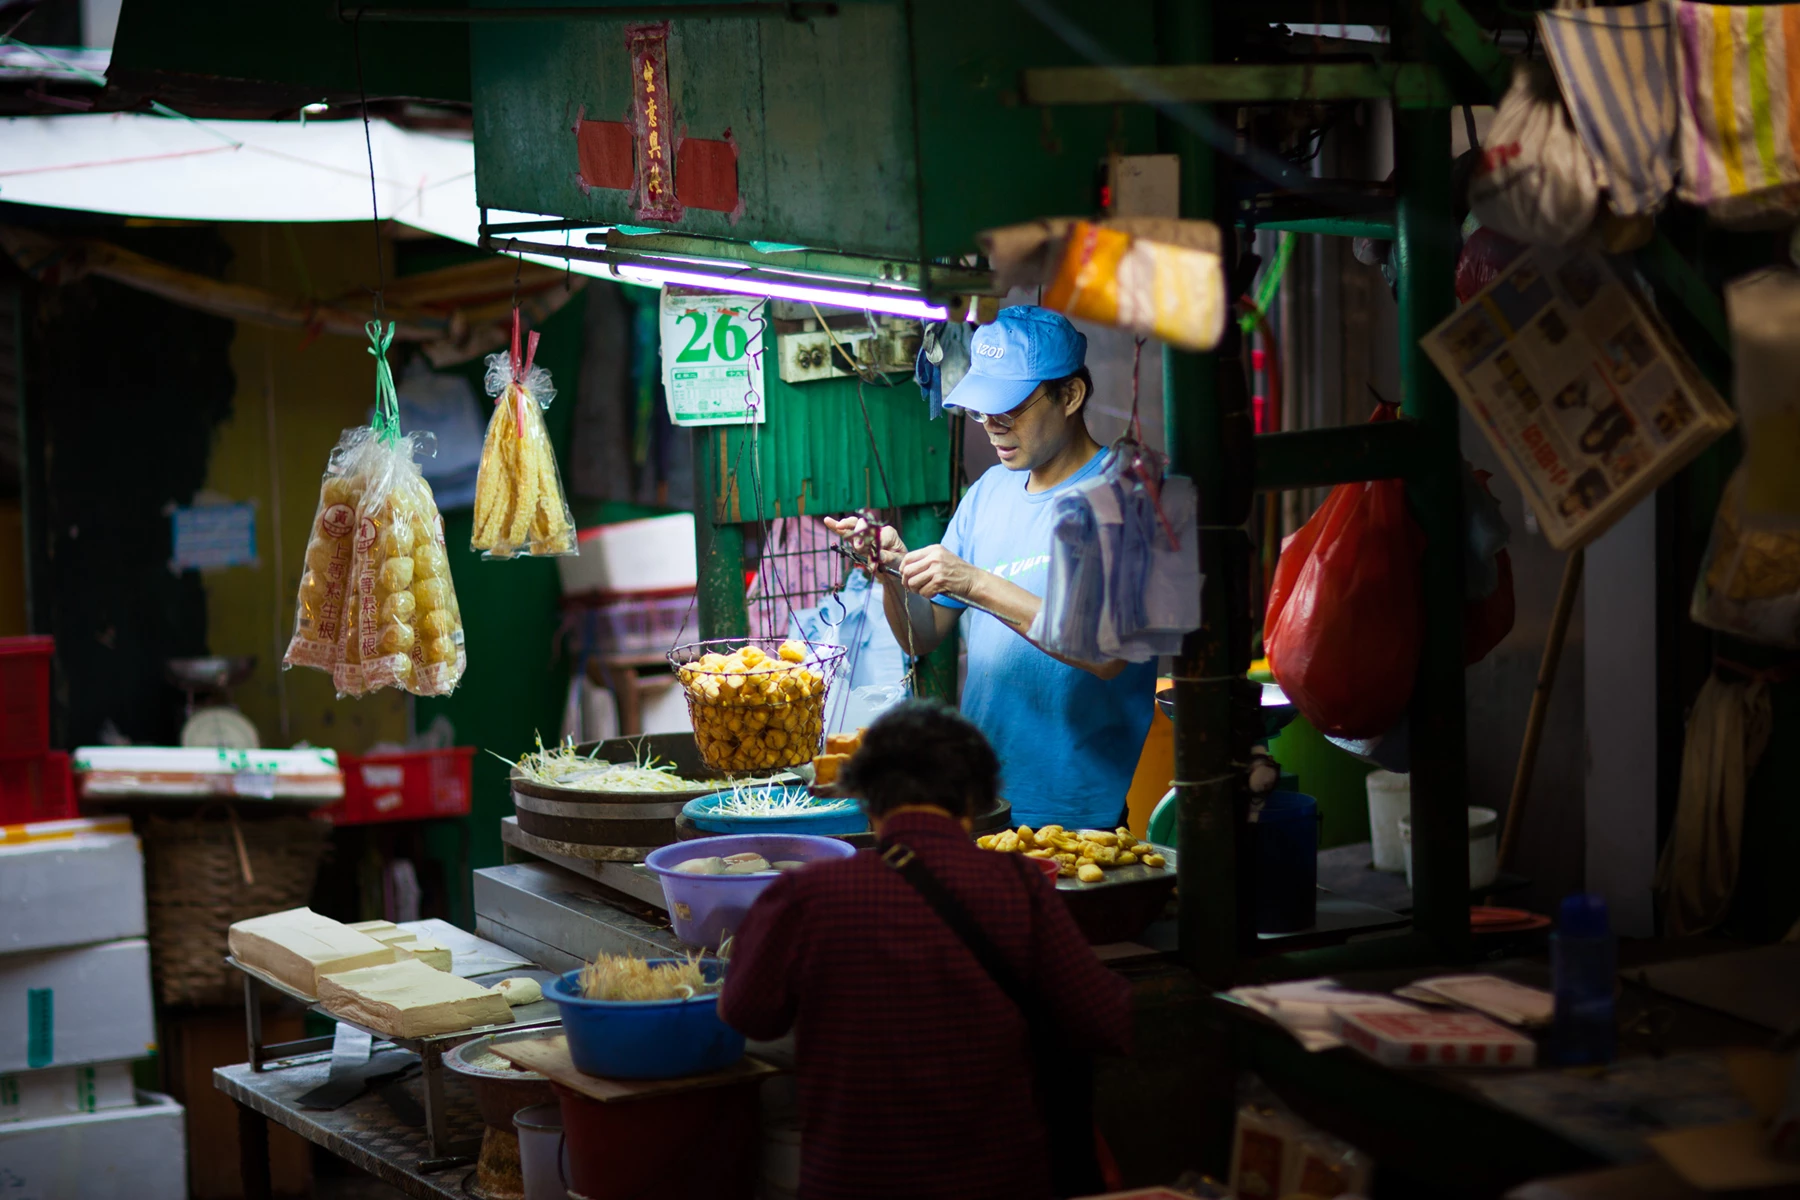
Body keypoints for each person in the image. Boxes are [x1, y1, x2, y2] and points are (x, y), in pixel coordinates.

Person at [718, 700, 1133, 1200]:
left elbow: (747, 1012)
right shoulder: (1019, 888)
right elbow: (1107, 1019)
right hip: (1000, 1182)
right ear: (971, 801)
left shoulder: (809, 896)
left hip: (853, 1183)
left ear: (867, 800)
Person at [825, 306, 1158, 834]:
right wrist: (890, 573)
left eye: (1010, 410)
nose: (993, 428)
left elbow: (1107, 653)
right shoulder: (988, 493)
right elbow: (924, 635)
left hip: (1075, 814)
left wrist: (974, 582)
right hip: (980, 801)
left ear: (1070, 396)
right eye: (982, 412)